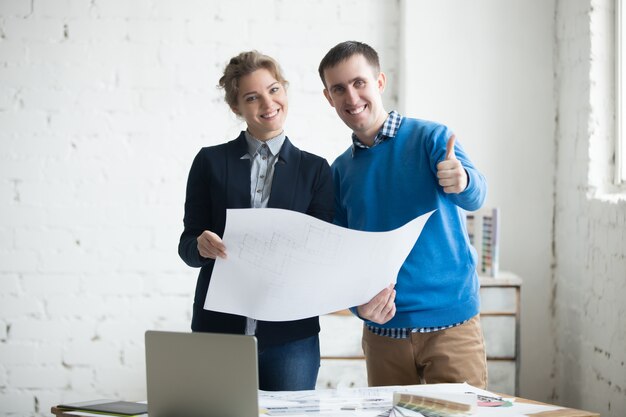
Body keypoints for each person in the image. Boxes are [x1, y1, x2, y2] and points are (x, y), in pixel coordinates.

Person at [318, 40, 488, 388]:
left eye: (359, 83)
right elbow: (340, 258)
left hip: (451, 325)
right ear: (328, 98)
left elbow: (476, 197)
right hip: (383, 335)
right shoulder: (339, 171)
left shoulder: (431, 138)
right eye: (339, 88)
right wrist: (358, 309)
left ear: (379, 82)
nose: (351, 97)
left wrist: (463, 179)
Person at [178, 50, 334, 391]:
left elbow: (323, 255)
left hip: (291, 333)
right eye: (252, 97)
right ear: (237, 107)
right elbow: (187, 246)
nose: (268, 103)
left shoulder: (316, 170)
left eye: (274, 89)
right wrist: (201, 245)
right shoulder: (209, 162)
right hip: (218, 329)